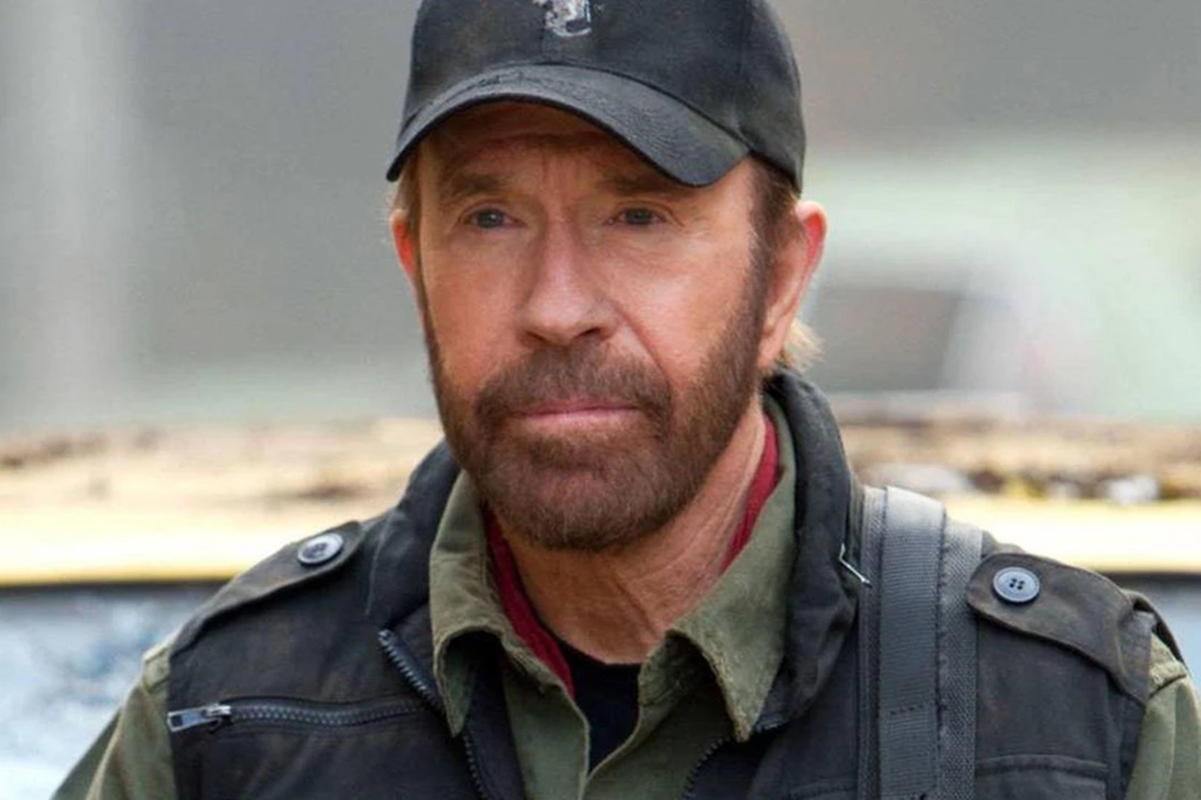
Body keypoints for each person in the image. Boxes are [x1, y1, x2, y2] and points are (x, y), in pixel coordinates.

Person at [57, 0, 1199, 798]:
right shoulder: (228, 721)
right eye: (490, 218)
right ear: (415, 266)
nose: (558, 307)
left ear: (780, 276)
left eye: (639, 215)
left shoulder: (1071, 726)